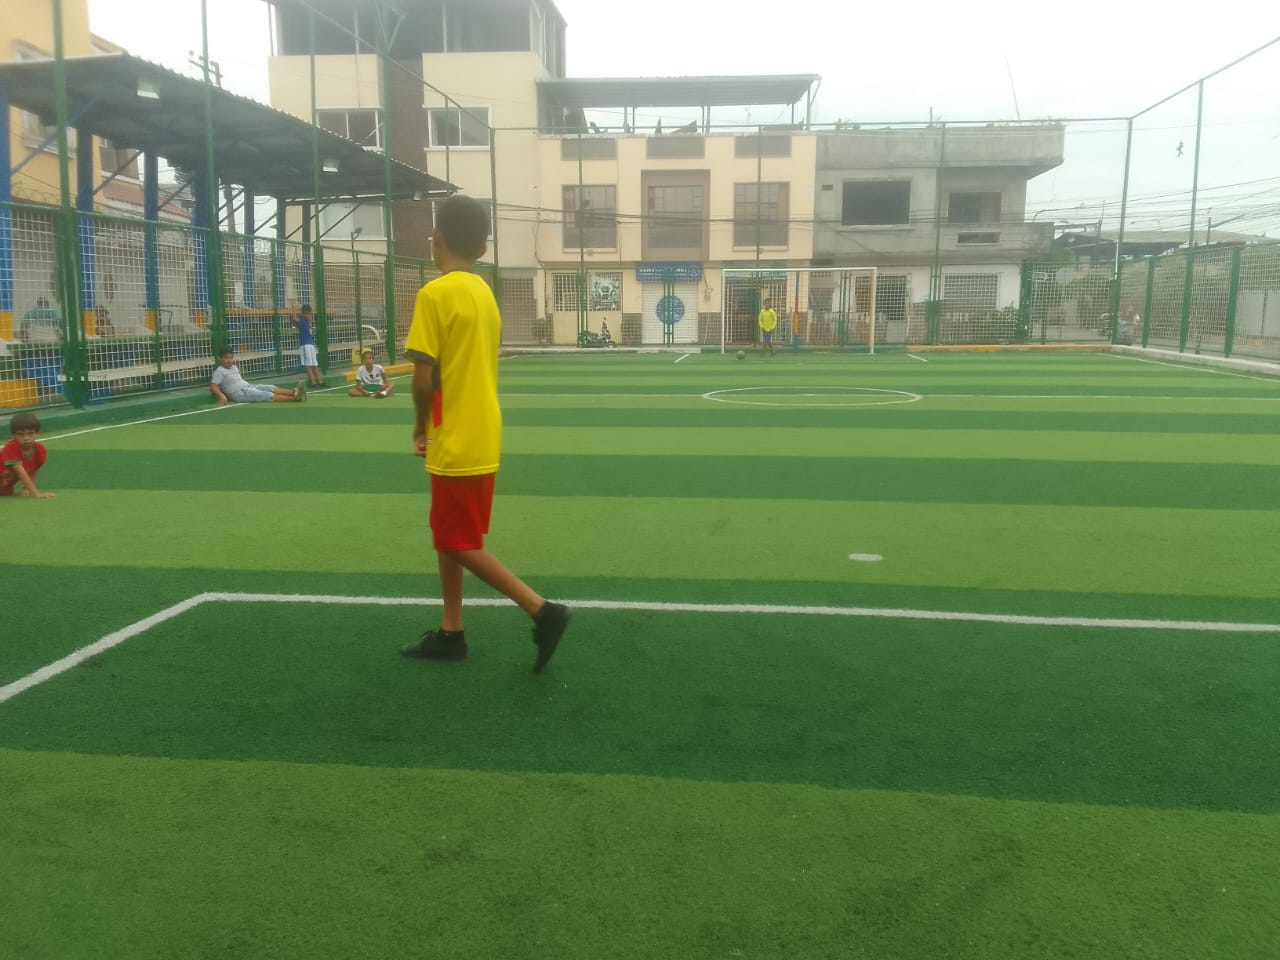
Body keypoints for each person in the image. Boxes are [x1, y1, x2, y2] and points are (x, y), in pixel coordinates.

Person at [400, 194, 571, 672]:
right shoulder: (485, 293)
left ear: (436, 239)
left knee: (456, 540)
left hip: (452, 431)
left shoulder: (434, 294)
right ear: (481, 246)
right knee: (450, 533)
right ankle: (451, 631)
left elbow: (422, 378)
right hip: (484, 429)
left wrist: (419, 426)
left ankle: (542, 610)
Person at [209, 348, 306, 404]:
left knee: (269, 387)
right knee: (264, 394)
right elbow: (213, 386)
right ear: (220, 359)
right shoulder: (219, 371)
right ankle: (295, 398)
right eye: (226, 358)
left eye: (231, 358)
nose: (229, 360)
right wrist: (222, 396)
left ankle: (294, 392)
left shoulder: (234, 367)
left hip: (248, 387)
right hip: (241, 394)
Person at [1, 411, 55, 499]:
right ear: (13, 435)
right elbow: (20, 472)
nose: (26, 438)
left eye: (30, 433)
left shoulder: (40, 450)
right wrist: (37, 494)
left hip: (5, 489)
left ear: (37, 433)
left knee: (6, 493)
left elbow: (35, 470)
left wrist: (26, 489)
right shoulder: (10, 448)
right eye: (20, 434)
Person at [292, 304, 325, 388]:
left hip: (311, 345)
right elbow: (294, 318)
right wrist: (294, 307)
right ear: (303, 314)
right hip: (305, 345)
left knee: (314, 363)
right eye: (307, 314)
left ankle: (320, 382)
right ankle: (313, 382)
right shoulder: (302, 321)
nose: (310, 315)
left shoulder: (308, 322)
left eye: (310, 313)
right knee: (308, 364)